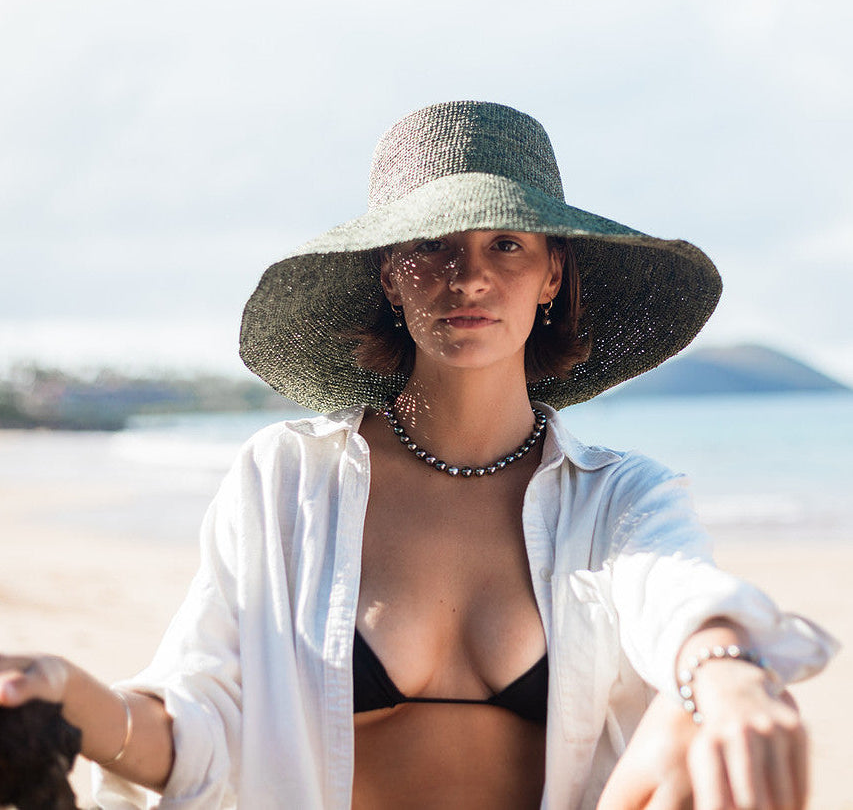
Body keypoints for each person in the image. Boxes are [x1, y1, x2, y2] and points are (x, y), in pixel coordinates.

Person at [0, 101, 838, 809]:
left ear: (551, 274)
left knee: (699, 705)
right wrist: (67, 689)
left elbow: (677, 592)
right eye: (428, 245)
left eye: (504, 244)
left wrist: (725, 669)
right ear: (388, 278)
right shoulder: (287, 482)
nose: (465, 277)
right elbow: (196, 722)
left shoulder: (615, 498)